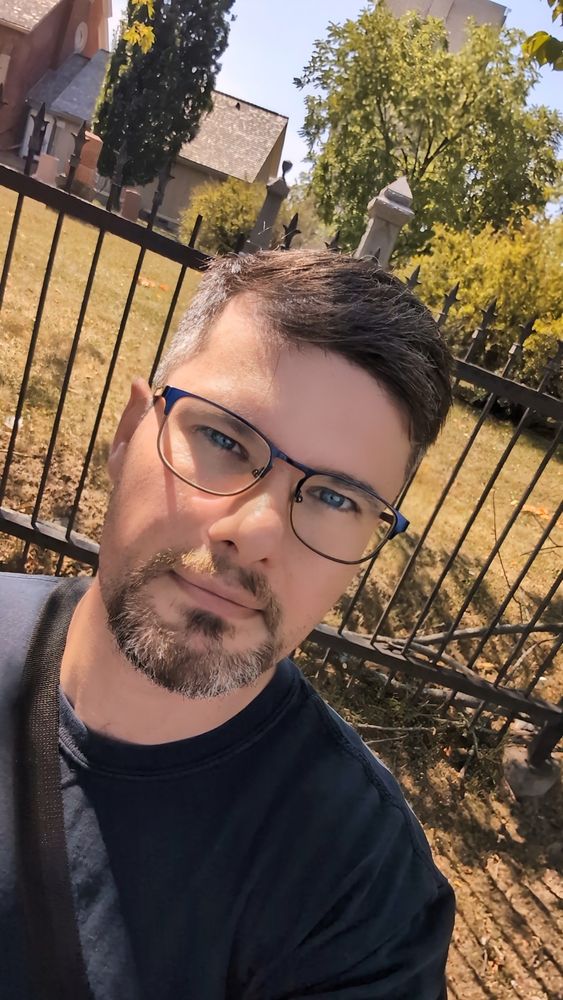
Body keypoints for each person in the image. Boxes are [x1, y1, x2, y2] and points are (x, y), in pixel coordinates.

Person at [0, 250, 455, 999]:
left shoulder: (361, 901)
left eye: (337, 499)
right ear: (127, 433)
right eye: (223, 440)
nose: (257, 530)